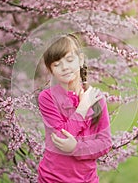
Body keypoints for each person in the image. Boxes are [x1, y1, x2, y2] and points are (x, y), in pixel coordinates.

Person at [37, 34, 112, 183]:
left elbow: (105, 142)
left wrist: (76, 148)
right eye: (56, 64)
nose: (64, 67)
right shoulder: (47, 98)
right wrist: (82, 108)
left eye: (69, 60)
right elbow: (61, 138)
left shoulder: (96, 98)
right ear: (50, 69)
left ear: (81, 60)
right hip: (51, 179)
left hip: (87, 180)